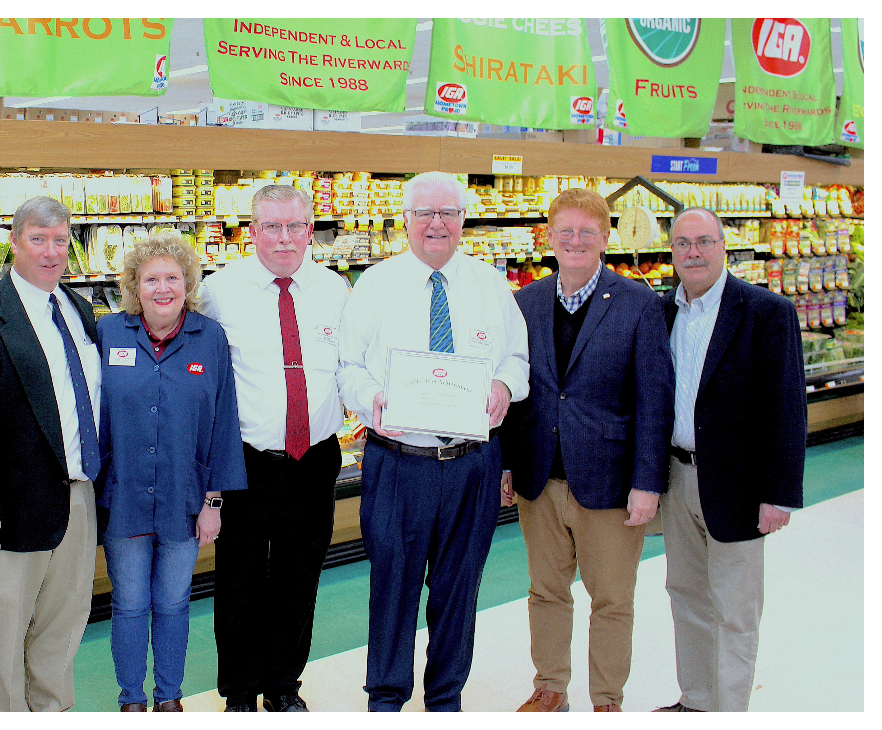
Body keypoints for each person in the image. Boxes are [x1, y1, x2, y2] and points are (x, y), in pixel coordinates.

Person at [337, 170, 530, 712]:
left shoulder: (491, 284)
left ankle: (445, 699)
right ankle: (387, 697)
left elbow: (518, 357)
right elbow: (347, 367)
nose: (437, 224)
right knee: (392, 587)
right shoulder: (375, 284)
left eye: (448, 213)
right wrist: (373, 400)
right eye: (425, 213)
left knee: (459, 588)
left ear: (463, 220)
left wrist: (504, 384)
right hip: (398, 462)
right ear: (406, 221)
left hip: (472, 462)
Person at [500, 188, 674, 712]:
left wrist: (648, 482)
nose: (575, 241)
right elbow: (514, 388)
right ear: (548, 236)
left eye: (587, 232)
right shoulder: (525, 301)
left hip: (612, 482)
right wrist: (508, 461)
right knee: (546, 591)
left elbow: (654, 400)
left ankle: (606, 700)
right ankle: (550, 686)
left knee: (612, 599)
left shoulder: (639, 304)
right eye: (565, 231)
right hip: (540, 478)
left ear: (605, 238)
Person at [0, 196, 101, 712]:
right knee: (5, 631)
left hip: (77, 497)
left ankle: (53, 714)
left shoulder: (79, 310)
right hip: (8, 512)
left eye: (61, 240)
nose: (51, 252)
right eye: (39, 239)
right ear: (14, 242)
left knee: (64, 622)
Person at [198, 185, 351, 712]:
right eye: (271, 226)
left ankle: (285, 684)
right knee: (238, 579)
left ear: (311, 229)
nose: (284, 238)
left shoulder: (336, 290)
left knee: (299, 576)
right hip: (246, 461)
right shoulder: (219, 291)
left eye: (294, 226)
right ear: (252, 230)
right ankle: (240, 690)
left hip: (315, 459)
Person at [654, 207, 806, 712]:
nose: (692, 253)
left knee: (736, 609)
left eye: (702, 242)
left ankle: (730, 711)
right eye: (682, 244)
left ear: (724, 245)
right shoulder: (663, 312)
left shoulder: (766, 311)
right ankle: (696, 701)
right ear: (671, 251)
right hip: (677, 478)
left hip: (739, 485)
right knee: (686, 596)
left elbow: (787, 408)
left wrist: (779, 494)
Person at [95, 232, 248, 712]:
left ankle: (169, 698)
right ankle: (131, 700)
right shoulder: (109, 333)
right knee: (131, 604)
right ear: (134, 287)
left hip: (187, 500)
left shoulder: (211, 337)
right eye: (151, 279)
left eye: (173, 278)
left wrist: (213, 503)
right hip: (124, 501)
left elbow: (225, 423)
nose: (163, 289)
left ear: (188, 284)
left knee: (174, 603)